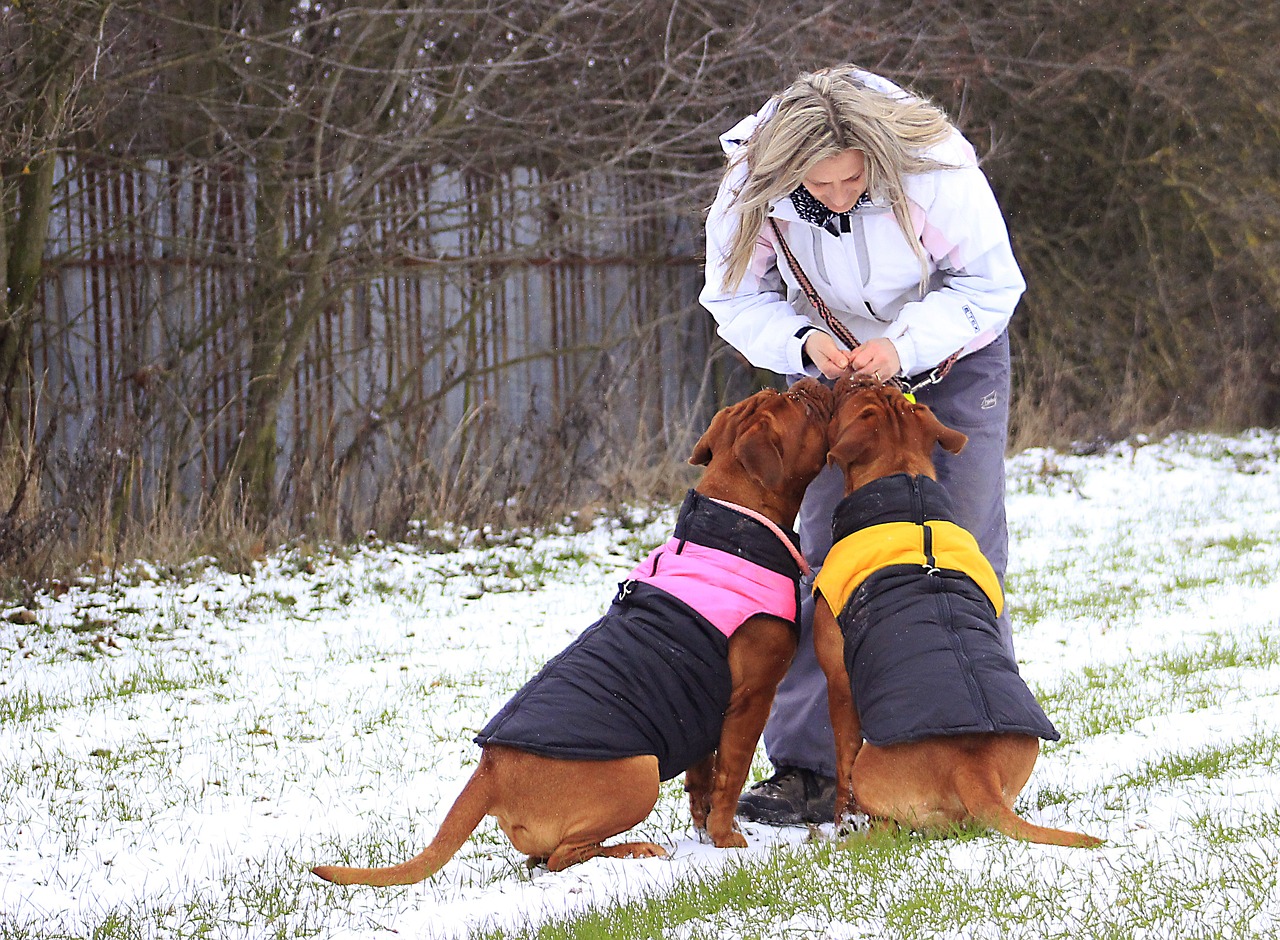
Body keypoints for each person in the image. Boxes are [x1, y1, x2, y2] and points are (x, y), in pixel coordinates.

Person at [699, 64, 1026, 825]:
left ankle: (979, 751)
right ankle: (811, 768)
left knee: (963, 546)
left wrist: (904, 346)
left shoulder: (935, 164)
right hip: (828, 374)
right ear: (783, 167)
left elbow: (989, 285)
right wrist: (802, 338)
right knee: (820, 557)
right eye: (823, 184)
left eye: (855, 181)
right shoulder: (750, 186)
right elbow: (734, 296)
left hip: (950, 357)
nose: (841, 196)